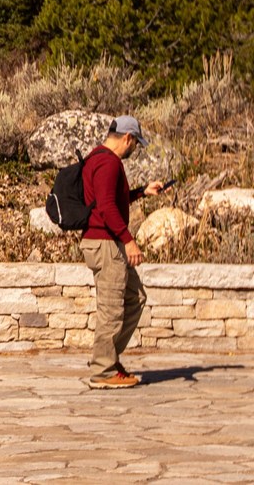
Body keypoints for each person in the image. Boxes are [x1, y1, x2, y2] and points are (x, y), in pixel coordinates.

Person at [81, 115, 168, 389]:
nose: (134, 149)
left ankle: (106, 357)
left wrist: (142, 192)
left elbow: (109, 200)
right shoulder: (109, 163)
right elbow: (106, 208)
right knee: (111, 309)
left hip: (104, 241)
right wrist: (129, 240)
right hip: (106, 243)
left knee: (135, 297)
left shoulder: (96, 158)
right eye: (135, 144)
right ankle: (102, 370)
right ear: (128, 138)